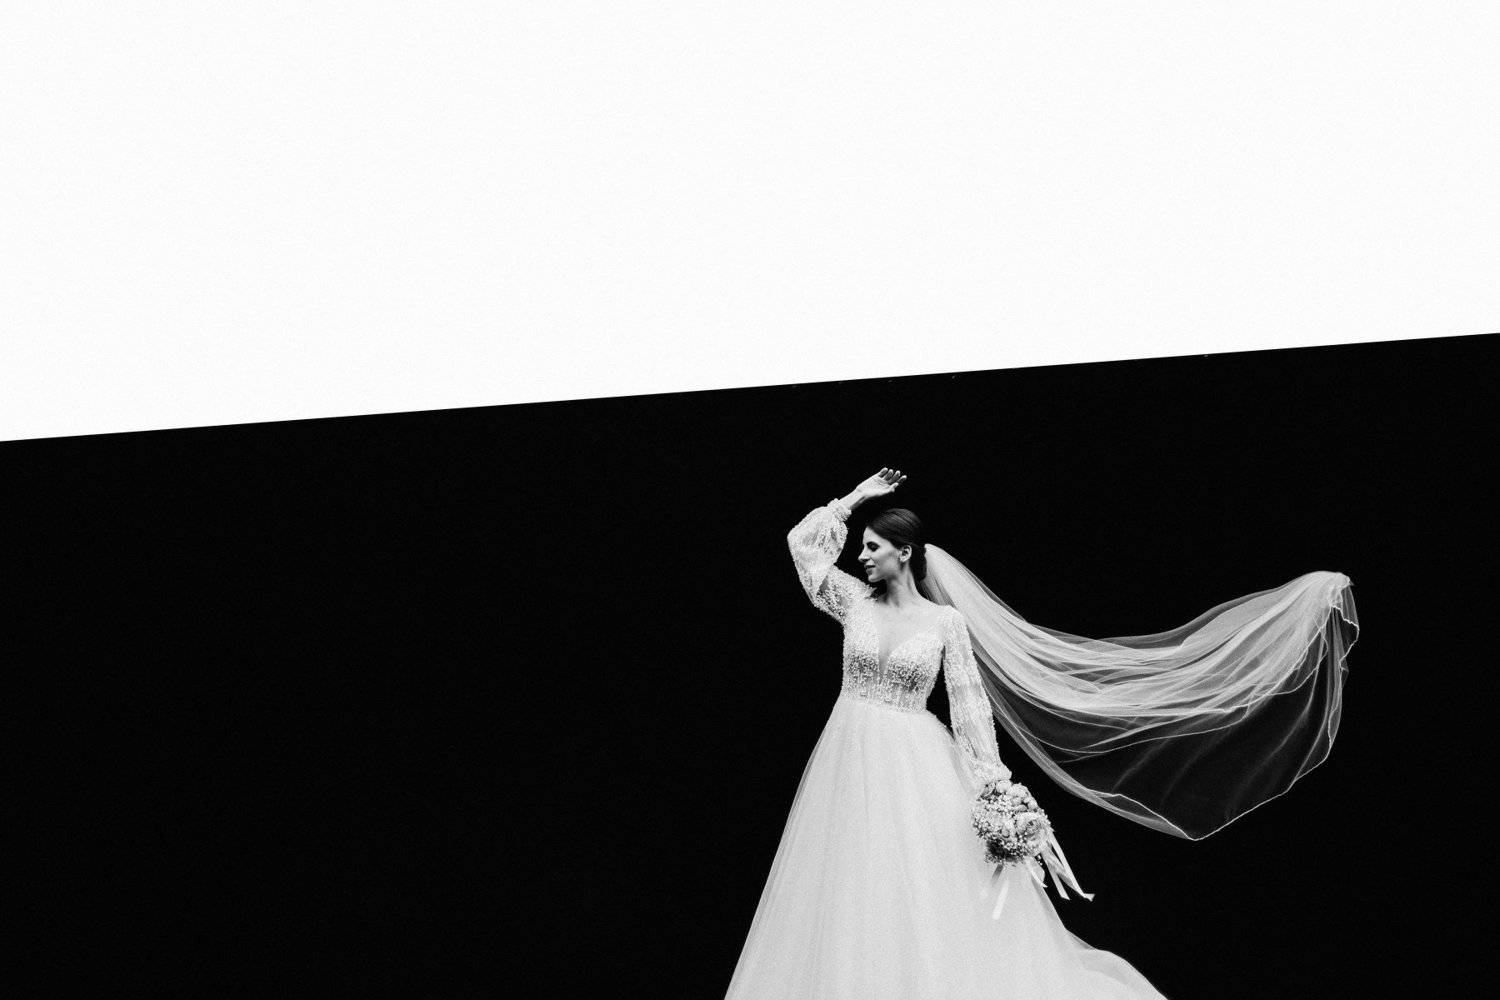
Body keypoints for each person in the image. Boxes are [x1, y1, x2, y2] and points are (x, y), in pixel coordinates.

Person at [724, 467, 1358, 999]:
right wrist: (853, 498)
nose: (860, 556)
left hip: (913, 762)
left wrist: (995, 790)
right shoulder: (851, 603)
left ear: (904, 553)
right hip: (849, 752)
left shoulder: (944, 624)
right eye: (860, 547)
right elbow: (802, 546)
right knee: (845, 878)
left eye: (870, 546)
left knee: (914, 882)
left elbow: (970, 711)